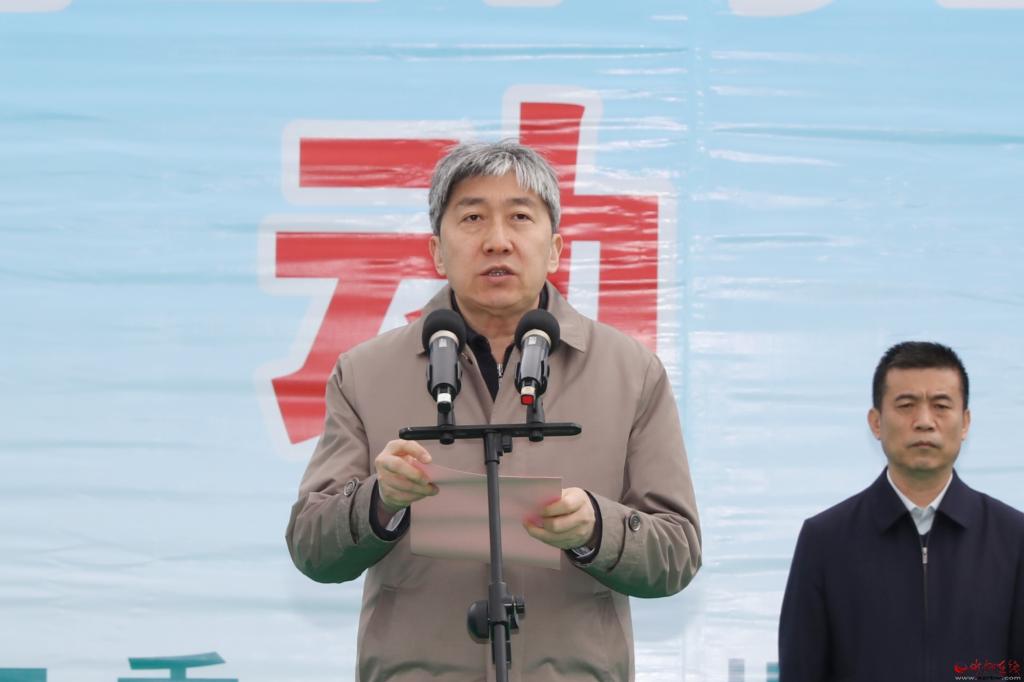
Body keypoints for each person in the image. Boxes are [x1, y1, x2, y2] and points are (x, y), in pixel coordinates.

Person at [286, 141, 701, 681]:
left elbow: (677, 553)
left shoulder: (631, 372)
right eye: (473, 218)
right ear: (437, 252)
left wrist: (598, 527)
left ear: (554, 249)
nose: (497, 240)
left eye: (520, 217)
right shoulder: (365, 374)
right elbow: (312, 548)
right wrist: (379, 501)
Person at [778, 341, 1024, 682]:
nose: (924, 422)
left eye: (941, 406)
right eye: (906, 405)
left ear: (965, 422)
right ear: (876, 422)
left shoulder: (1013, 538)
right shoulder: (825, 540)